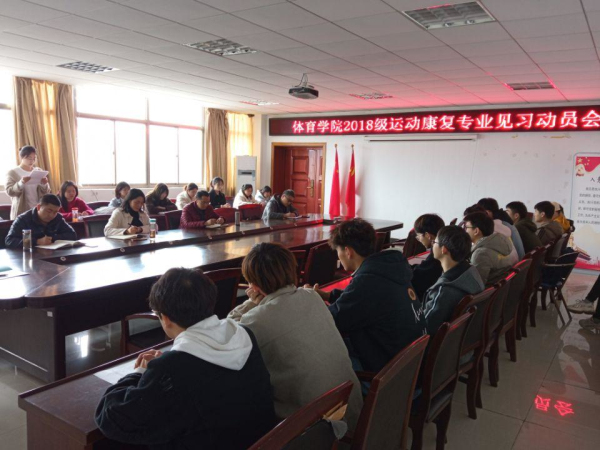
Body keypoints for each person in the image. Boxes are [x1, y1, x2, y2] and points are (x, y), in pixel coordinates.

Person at [95, 268, 277, 450]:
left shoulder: (172, 368)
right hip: (259, 440)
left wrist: (139, 372)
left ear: (165, 318)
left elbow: (111, 418)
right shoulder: (243, 335)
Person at [228, 243, 363, 429]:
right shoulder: (312, 296)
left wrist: (252, 302)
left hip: (315, 431)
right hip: (353, 412)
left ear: (254, 285)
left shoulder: (256, 320)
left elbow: (227, 330)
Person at [309, 219, 427, 374]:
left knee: (318, 348)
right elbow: (364, 301)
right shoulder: (389, 269)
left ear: (348, 251)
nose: (338, 256)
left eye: (338, 251)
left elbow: (331, 322)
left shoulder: (367, 280)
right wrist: (328, 295)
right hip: (410, 364)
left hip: (386, 374)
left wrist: (310, 300)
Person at [423, 225, 485, 336]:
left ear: (444, 249)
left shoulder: (444, 290)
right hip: (463, 336)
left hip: (440, 343)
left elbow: (425, 326)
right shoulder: (471, 271)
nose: (432, 245)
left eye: (434, 242)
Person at [463, 212, 518, 286]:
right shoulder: (500, 241)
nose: (465, 231)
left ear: (476, 231)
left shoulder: (480, 254)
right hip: (502, 288)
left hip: (489, 290)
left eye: (466, 227)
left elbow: (475, 286)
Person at [5, 194, 76, 248]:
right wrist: (37, 241)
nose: (52, 215)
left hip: (51, 254)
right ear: (39, 207)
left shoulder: (57, 218)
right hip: (29, 256)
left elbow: (72, 235)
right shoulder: (23, 219)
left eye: (55, 212)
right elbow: (9, 241)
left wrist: (52, 238)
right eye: (49, 211)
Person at [5, 145, 51, 220]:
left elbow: (46, 192)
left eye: (34, 158)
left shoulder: (38, 171)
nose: (32, 161)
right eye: (29, 158)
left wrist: (44, 184)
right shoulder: (13, 172)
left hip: (38, 210)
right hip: (21, 210)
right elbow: (9, 191)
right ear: (22, 157)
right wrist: (21, 183)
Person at [412, 214, 445, 300]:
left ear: (427, 235)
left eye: (418, 236)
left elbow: (416, 278)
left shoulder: (436, 257)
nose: (419, 239)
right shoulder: (446, 250)